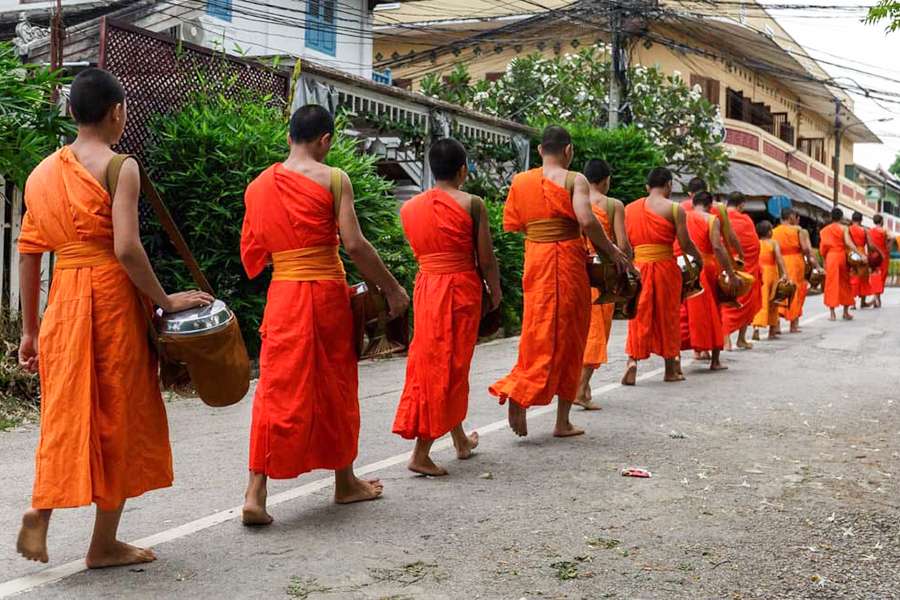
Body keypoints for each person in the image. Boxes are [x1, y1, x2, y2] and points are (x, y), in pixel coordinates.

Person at [15, 68, 213, 567]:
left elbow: (29, 255)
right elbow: (126, 248)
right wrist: (167, 300)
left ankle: (43, 508)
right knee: (118, 418)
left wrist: (29, 331)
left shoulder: (41, 174)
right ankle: (102, 544)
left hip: (62, 305)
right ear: (117, 112)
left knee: (67, 412)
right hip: (110, 301)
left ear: (71, 113)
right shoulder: (120, 166)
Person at [240, 105, 409, 524]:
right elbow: (353, 244)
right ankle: (344, 481)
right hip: (327, 296)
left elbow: (254, 253)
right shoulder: (334, 178)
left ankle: (255, 492)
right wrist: (392, 287)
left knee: (276, 388)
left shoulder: (259, 186)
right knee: (335, 385)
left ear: (289, 137)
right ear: (325, 141)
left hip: (283, 297)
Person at [489, 126, 631, 438]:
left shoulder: (520, 181)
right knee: (570, 337)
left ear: (540, 150)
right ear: (568, 151)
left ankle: (522, 392)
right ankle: (561, 421)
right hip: (566, 262)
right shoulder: (573, 179)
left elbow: (516, 223)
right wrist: (612, 252)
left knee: (536, 334)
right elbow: (585, 219)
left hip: (536, 260)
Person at [392, 138, 501, 476]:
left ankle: (459, 441)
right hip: (459, 289)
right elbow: (485, 259)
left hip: (427, 287)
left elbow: (420, 250)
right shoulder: (473, 204)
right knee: (447, 367)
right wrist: (495, 292)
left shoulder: (409, 208)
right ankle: (421, 453)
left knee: (435, 361)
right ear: (462, 171)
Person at [622, 167, 702, 384]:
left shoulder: (630, 209)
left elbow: (625, 245)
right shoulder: (675, 209)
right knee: (668, 317)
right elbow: (684, 244)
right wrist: (698, 257)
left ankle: (632, 361)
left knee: (639, 314)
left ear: (647, 187)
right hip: (666, 267)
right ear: (669, 185)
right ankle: (670, 369)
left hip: (640, 266)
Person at [575, 159, 632, 411]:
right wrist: (627, 265)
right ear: (605, 180)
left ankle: (582, 388)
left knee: (580, 331)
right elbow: (622, 244)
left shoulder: (575, 200)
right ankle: (581, 386)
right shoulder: (612, 205)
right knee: (596, 332)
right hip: (602, 273)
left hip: (577, 270)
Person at [682, 191, 736, 371]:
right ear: (710, 205)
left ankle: (674, 361)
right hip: (707, 267)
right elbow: (717, 247)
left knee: (684, 313)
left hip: (686, 266)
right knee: (713, 312)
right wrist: (730, 272)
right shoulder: (712, 219)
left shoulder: (682, 216)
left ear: (693, 202)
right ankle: (715, 360)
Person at [721, 192, 761, 350]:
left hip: (725, 264)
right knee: (745, 302)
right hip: (746, 267)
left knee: (726, 301)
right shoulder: (745, 219)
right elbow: (753, 245)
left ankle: (727, 340)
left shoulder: (719, 217)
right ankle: (739, 338)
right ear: (741, 205)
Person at [773, 208, 819, 333]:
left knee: (780, 290)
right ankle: (793, 325)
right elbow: (806, 248)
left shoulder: (774, 231)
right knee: (795, 291)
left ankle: (776, 325)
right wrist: (813, 263)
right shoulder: (798, 230)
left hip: (779, 262)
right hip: (795, 262)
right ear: (791, 216)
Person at [819, 207, 859, 322]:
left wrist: (824, 260)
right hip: (842, 257)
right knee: (845, 283)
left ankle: (832, 314)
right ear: (841, 217)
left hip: (831, 257)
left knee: (831, 284)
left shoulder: (825, 230)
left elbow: (823, 249)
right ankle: (846, 312)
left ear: (831, 217)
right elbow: (848, 242)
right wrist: (858, 252)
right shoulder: (844, 228)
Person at [752, 220, 788, 340]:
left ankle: (756, 328)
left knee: (759, 300)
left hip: (759, 273)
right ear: (769, 232)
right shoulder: (773, 243)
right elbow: (779, 259)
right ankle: (772, 330)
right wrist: (784, 274)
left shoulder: (756, 243)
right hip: (771, 273)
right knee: (773, 300)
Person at [867, 214, 892, 308]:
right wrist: (889, 245)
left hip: (874, 256)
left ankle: (876, 298)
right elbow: (892, 237)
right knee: (882, 276)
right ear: (881, 221)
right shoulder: (884, 230)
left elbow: (869, 245)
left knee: (875, 275)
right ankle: (876, 298)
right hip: (883, 255)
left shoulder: (870, 231)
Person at [848, 211, 871, 308]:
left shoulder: (848, 229)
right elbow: (870, 245)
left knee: (853, 277)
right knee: (864, 278)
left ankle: (852, 303)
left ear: (852, 219)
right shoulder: (865, 230)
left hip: (851, 254)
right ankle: (862, 302)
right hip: (862, 254)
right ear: (861, 220)